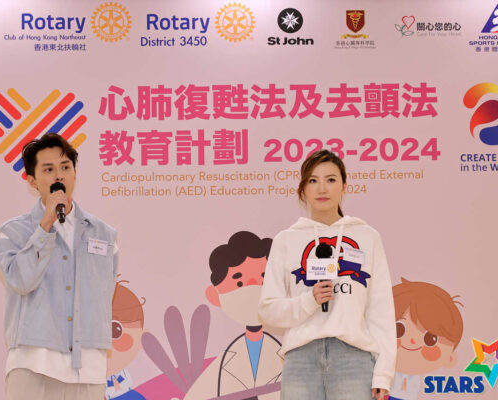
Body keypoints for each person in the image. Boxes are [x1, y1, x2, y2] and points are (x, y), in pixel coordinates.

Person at [258, 149, 396, 400]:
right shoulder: (286, 240)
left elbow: (381, 309)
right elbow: (268, 310)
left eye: (331, 179)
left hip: (354, 358)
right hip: (301, 359)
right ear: (302, 190)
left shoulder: (367, 237)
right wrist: (309, 300)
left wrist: (383, 373)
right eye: (313, 180)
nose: (322, 188)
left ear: (344, 186)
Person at [0, 133, 118, 400]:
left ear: (75, 174)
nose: (59, 176)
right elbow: (21, 281)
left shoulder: (104, 235)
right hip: (33, 362)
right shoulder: (11, 233)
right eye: (48, 169)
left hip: (88, 367)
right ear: (32, 180)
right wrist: (45, 226)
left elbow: (105, 293)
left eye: (65, 167)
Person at [185, 231, 283, 400]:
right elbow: (203, 390)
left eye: (263, 279)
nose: (252, 287)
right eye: (239, 282)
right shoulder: (228, 356)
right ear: (214, 295)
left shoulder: (282, 352)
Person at [389, 278, 463, 400]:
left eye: (430, 339)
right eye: (399, 329)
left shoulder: (415, 379)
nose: (412, 340)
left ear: (450, 358)